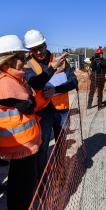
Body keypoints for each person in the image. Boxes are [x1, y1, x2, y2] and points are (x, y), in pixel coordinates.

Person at [0, 35, 42, 210]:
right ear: (9, 59)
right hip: (19, 146)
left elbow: (28, 103)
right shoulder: (5, 82)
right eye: (22, 57)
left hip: (23, 146)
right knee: (22, 189)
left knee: (19, 184)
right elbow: (26, 106)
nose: (24, 62)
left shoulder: (14, 78)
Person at [23, 29, 68, 178]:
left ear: (45, 44)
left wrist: (56, 89)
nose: (38, 52)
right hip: (43, 112)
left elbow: (73, 81)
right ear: (30, 50)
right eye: (34, 50)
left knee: (61, 143)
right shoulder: (27, 64)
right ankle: (41, 180)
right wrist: (52, 67)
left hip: (61, 109)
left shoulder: (59, 59)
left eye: (40, 48)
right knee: (42, 148)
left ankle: (61, 170)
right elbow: (35, 83)